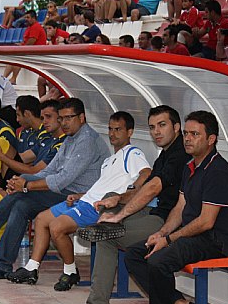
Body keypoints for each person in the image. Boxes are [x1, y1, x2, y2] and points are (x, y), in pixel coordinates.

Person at [0, 98, 110, 281]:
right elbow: (48, 171)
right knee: (21, 204)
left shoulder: (86, 140)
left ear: (82, 118)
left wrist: (26, 185)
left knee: (21, 199)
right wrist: (22, 180)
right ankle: (1, 263)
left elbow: (62, 179)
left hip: (79, 197)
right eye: (62, 118)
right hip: (64, 191)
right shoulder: (70, 138)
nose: (64, 123)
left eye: (69, 118)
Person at [59, 105, 188, 304]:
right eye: (152, 127)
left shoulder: (180, 154)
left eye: (162, 125)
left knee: (106, 236)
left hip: (169, 220)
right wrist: (118, 199)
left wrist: (118, 215)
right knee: (107, 224)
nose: (157, 131)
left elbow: (153, 188)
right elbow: (142, 189)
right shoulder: (164, 155)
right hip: (154, 212)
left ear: (176, 127)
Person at [124, 110, 228, 304]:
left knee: (159, 259)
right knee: (134, 253)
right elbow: (180, 207)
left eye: (195, 134)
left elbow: (207, 221)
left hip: (217, 240)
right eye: (186, 133)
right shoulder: (191, 167)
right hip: (195, 235)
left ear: (211, 139)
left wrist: (169, 240)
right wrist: (161, 233)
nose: (188, 138)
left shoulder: (218, 171)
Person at [9, 112, 151, 290]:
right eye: (110, 129)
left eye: (118, 129)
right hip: (84, 201)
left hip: (96, 207)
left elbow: (146, 173)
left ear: (129, 132)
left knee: (57, 227)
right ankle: (32, 268)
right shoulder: (108, 161)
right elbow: (101, 187)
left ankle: (70, 272)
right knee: (41, 219)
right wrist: (80, 195)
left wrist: (130, 191)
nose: (113, 134)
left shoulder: (133, 153)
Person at [3, 10, 47, 85]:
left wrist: (22, 47)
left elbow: (32, 41)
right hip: (31, 51)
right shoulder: (30, 27)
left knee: (18, 57)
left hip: (36, 52)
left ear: (33, 18)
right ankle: (3, 78)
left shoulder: (35, 27)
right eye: (25, 17)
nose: (26, 19)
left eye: (28, 17)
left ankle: (13, 79)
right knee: (12, 58)